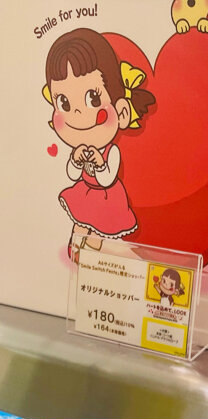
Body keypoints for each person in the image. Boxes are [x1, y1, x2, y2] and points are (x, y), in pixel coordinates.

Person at [43, 28, 155, 256]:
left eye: (93, 98)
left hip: (106, 197)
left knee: (95, 236)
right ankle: (76, 255)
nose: (76, 113)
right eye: (63, 103)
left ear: (122, 112)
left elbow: (106, 179)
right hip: (84, 193)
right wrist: (75, 160)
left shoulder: (111, 151)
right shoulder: (79, 147)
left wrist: (99, 162)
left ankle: (89, 260)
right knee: (79, 227)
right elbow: (73, 174)